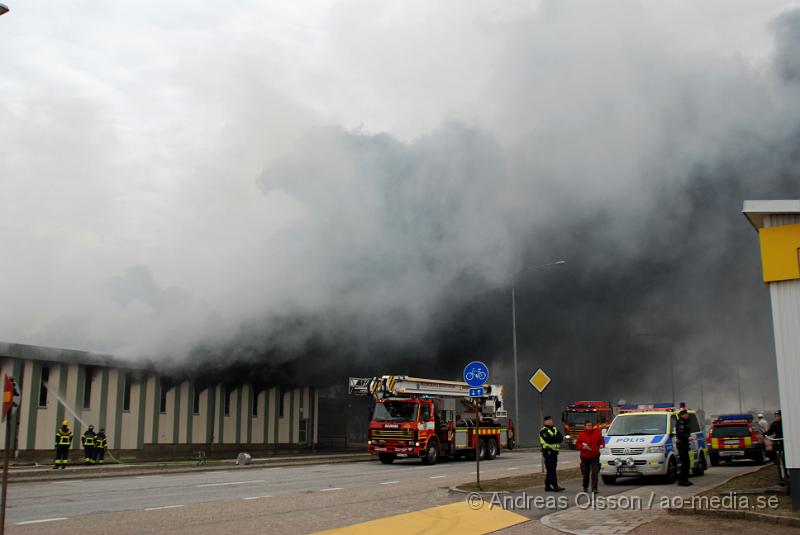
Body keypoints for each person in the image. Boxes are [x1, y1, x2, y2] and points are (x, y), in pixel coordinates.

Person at [576, 420, 604, 493]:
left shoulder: (596, 433)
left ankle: (594, 488)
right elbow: (578, 444)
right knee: (585, 473)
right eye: (588, 425)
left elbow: (602, 440)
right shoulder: (581, 435)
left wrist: (602, 445)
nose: (589, 426)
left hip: (595, 456)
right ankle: (585, 486)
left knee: (595, 473)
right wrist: (583, 447)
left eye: (590, 425)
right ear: (585, 426)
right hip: (585, 457)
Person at [540, 415, 565, 492]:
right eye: (548, 421)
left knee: (551, 469)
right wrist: (556, 438)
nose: (550, 422)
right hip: (548, 451)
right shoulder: (543, 430)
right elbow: (549, 440)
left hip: (554, 452)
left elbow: (561, 438)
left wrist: (555, 438)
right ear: (545, 422)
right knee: (551, 469)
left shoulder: (555, 429)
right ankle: (555, 486)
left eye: (551, 420)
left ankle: (547, 486)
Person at [675, 409, 694, 487]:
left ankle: (685, 480)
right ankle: (682, 480)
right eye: (686, 414)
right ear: (682, 415)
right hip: (681, 445)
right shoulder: (680, 423)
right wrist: (688, 438)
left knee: (687, 463)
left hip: (684, 445)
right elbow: (681, 433)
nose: (687, 415)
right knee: (685, 463)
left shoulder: (685, 423)